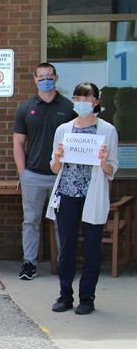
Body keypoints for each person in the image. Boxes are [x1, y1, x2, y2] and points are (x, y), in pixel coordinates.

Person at [46, 82, 118, 315]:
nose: (82, 103)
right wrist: (57, 158)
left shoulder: (107, 130)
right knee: (66, 246)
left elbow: (112, 169)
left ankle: (87, 297)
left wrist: (105, 161)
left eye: (87, 99)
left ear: (96, 102)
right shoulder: (63, 130)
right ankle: (65, 295)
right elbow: (56, 168)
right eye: (78, 98)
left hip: (92, 195)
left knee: (92, 247)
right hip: (67, 194)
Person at [13, 63, 74, 280]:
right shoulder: (25, 108)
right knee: (31, 221)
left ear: (56, 78)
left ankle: (65, 265)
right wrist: (23, 172)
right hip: (34, 176)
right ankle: (29, 263)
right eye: (41, 76)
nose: (45, 80)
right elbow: (18, 143)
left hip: (61, 176)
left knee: (62, 222)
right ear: (35, 79)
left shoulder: (68, 108)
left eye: (49, 76)